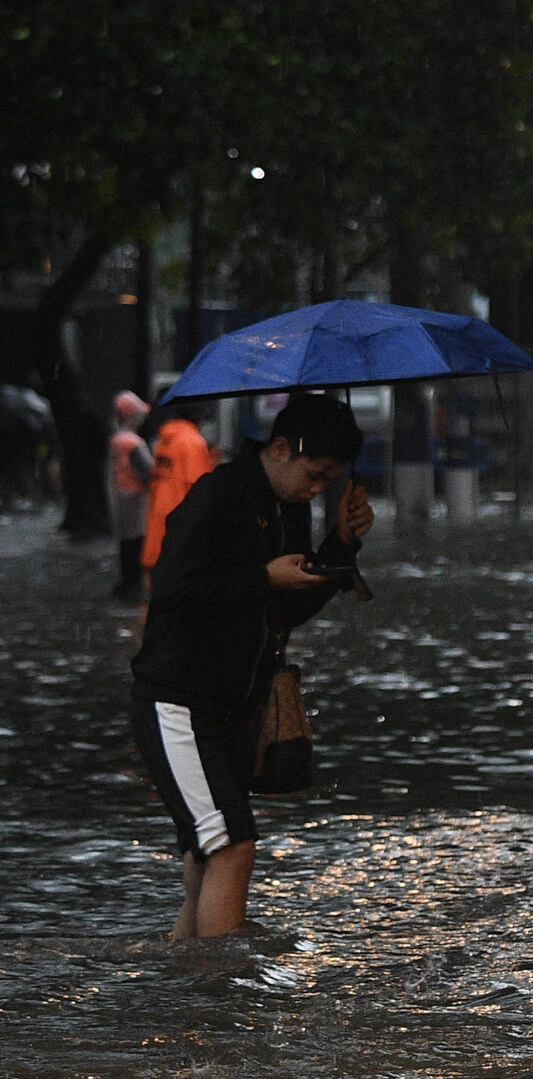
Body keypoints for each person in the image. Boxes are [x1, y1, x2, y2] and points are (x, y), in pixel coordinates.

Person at [129, 395, 373, 940]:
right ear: (281, 448)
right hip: (178, 702)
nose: (315, 490)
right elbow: (172, 591)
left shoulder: (288, 503)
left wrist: (341, 544)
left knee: (207, 851)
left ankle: (188, 978)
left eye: (327, 482)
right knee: (232, 845)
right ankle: (223, 998)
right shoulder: (220, 494)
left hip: (234, 704)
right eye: (313, 476)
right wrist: (262, 578)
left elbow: (284, 611)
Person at [141, 401, 215, 587]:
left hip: (158, 508)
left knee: (157, 569)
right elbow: (200, 484)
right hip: (180, 513)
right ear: (198, 417)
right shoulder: (193, 442)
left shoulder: (165, 440)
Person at [106, 391, 154, 598]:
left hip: (120, 497)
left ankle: (126, 583)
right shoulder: (134, 443)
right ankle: (133, 586)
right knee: (136, 544)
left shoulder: (116, 439)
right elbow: (150, 472)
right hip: (136, 499)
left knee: (125, 544)